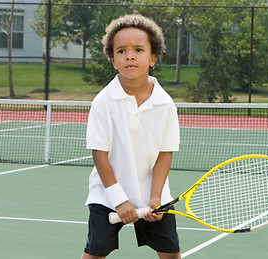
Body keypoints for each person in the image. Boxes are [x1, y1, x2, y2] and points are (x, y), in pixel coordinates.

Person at [81, 14, 181, 259]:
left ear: (153, 58)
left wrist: (156, 197)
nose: (130, 56)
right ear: (113, 59)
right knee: (94, 255)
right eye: (122, 51)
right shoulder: (103, 102)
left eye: (138, 49)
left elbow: (164, 154)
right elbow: (100, 155)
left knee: (171, 255)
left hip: (154, 197)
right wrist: (119, 200)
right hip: (106, 196)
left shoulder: (165, 104)